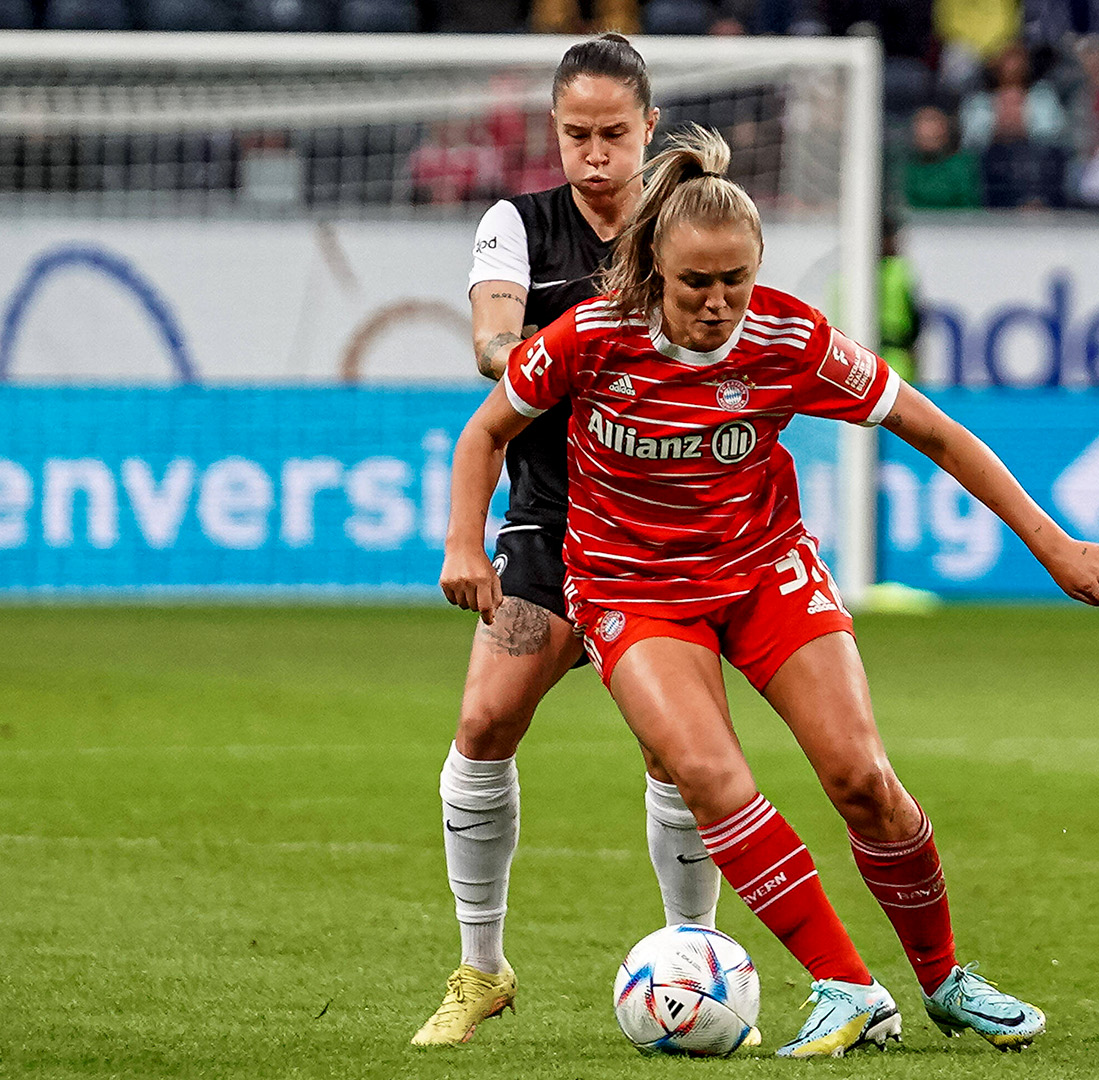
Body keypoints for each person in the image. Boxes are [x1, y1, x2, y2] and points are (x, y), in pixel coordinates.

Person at [442, 125, 1099, 1057]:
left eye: (736, 279)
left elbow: (937, 432)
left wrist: (1053, 547)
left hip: (765, 573)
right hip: (633, 591)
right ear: (654, 266)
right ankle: (846, 986)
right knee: (707, 775)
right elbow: (485, 431)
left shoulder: (789, 335)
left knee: (863, 781)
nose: (719, 302)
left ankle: (945, 981)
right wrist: (465, 542)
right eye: (697, 283)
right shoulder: (589, 337)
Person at [412, 34, 725, 1048]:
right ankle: (481, 968)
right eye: (576, 134)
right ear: (556, 131)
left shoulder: (690, 227)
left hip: (665, 533)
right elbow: (491, 345)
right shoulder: (519, 226)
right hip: (549, 527)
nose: (594, 155)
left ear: (648, 127)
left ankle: (697, 964)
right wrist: (579, 348)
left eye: (614, 134)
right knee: (483, 728)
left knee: (678, 756)